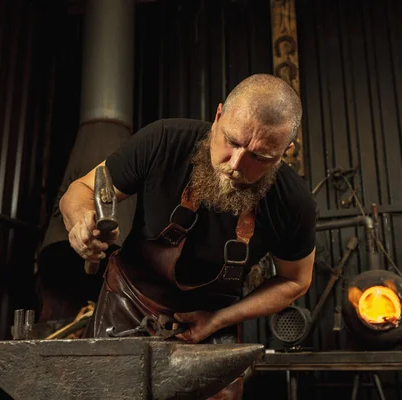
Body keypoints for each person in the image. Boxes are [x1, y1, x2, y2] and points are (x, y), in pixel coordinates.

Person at [59, 73, 316, 399]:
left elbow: (296, 281)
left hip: (208, 327)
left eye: (260, 157)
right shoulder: (164, 141)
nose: (236, 164)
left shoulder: (293, 202)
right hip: (127, 308)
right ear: (219, 116)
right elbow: (81, 189)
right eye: (232, 142)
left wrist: (218, 320)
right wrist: (82, 222)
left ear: (285, 152)